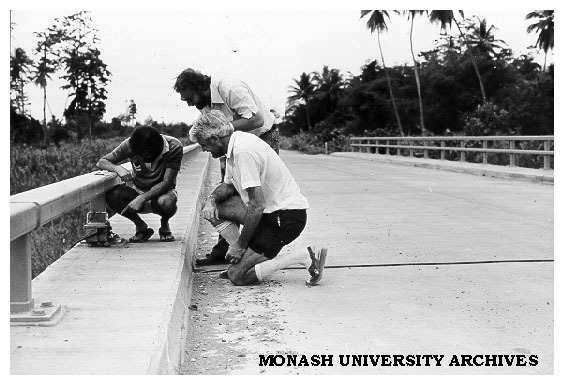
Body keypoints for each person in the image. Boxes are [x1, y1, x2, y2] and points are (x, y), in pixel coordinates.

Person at [189, 110, 327, 286]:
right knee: (216, 207)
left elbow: (257, 206)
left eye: (204, 145)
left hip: (284, 219)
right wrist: (211, 200)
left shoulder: (243, 152)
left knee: (237, 276)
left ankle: (302, 256)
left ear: (215, 139)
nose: (203, 149)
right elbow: (228, 186)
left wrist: (239, 245)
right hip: (270, 214)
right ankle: (246, 256)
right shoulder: (235, 144)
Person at [173, 68, 279, 265]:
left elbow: (257, 120)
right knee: (227, 192)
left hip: (262, 137)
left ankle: (261, 248)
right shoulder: (205, 105)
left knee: (257, 196)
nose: (189, 104)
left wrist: (223, 130)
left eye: (190, 98)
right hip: (233, 142)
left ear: (200, 88)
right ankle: (227, 249)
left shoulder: (229, 87)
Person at [96, 126, 183, 243]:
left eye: (145, 154)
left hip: (162, 192)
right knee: (112, 195)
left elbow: (167, 182)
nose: (142, 157)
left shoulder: (174, 146)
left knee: (168, 201)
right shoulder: (130, 144)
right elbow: (102, 162)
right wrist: (118, 168)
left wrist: (142, 198)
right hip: (138, 189)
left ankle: (164, 224)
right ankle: (140, 225)